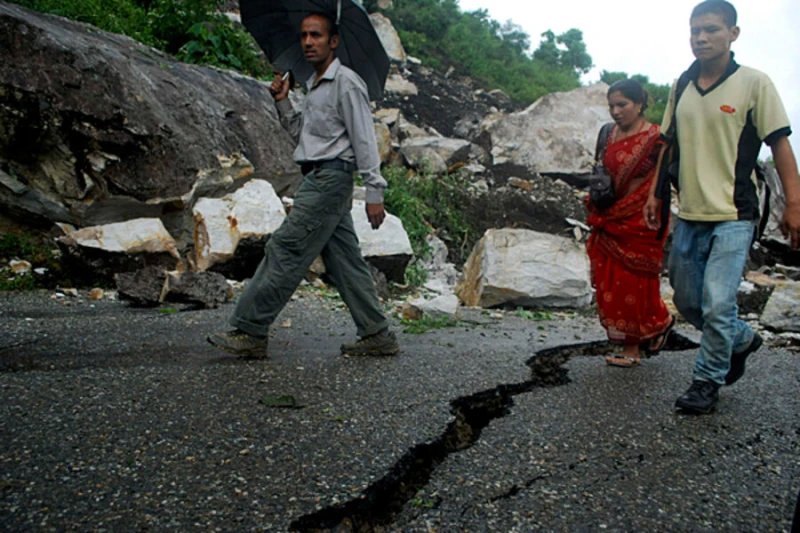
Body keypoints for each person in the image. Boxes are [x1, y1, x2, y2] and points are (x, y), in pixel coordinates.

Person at [208, 12, 399, 358]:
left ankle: (250, 331)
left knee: (285, 248)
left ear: (334, 41)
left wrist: (375, 192)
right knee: (344, 261)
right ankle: (377, 333)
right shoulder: (315, 86)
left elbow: (365, 140)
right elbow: (303, 138)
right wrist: (282, 101)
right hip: (317, 176)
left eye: (316, 35)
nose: (308, 42)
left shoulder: (347, 83)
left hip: (330, 180)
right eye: (304, 36)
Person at [644, 0, 800, 413]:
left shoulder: (754, 83)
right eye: (695, 30)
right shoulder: (682, 84)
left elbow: (780, 144)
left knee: (717, 303)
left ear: (733, 33)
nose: (701, 37)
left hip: (734, 214)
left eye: (711, 29)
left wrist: (795, 205)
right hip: (690, 213)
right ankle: (743, 339)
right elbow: (668, 143)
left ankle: (706, 382)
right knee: (690, 302)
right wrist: (655, 194)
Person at [586, 79, 675, 368]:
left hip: (639, 218)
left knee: (633, 280)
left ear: (639, 104)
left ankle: (632, 348)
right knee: (609, 276)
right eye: (611, 105)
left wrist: (651, 203)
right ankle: (659, 323)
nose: (615, 111)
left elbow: (661, 178)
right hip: (610, 213)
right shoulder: (608, 134)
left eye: (622, 104)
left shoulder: (657, 138)